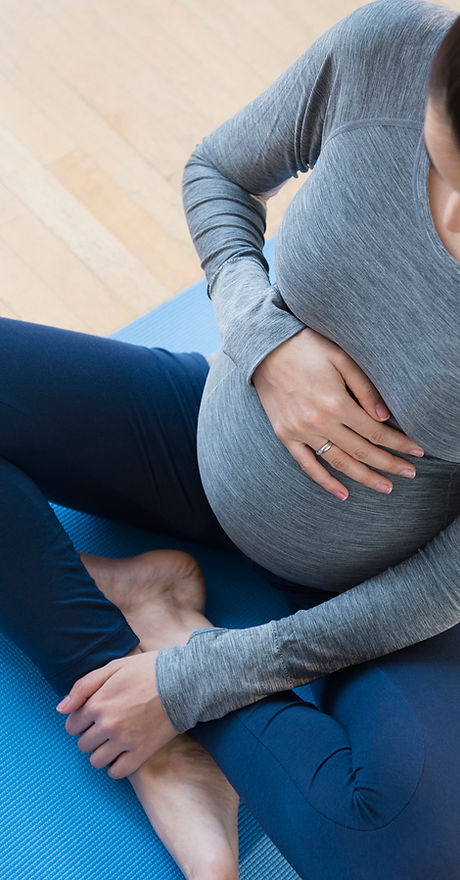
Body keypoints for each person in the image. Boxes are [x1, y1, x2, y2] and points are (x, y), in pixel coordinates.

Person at [1, 0, 459, 877]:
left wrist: (200, 678)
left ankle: (166, 651)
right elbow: (217, 171)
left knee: (409, 850)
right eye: (446, 163)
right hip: (211, 438)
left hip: (390, 578)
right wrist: (263, 338)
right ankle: (139, 693)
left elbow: (453, 576)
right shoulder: (392, 48)